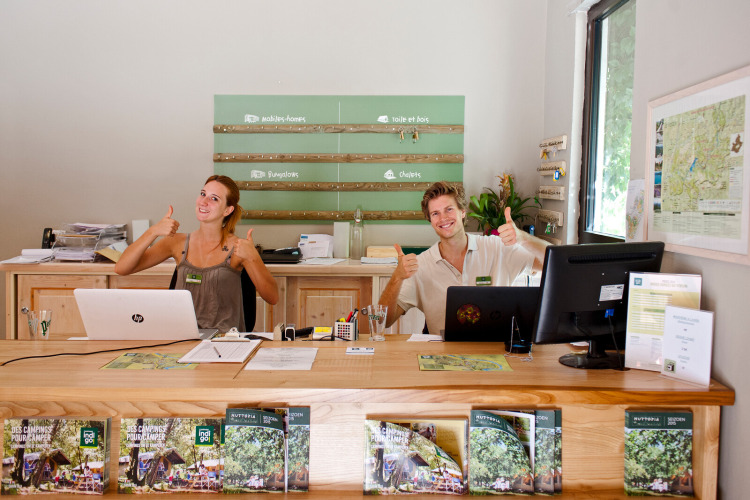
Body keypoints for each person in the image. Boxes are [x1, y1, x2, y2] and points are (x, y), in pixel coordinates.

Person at [379, 181, 548, 335]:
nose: (443, 218)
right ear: (430, 220)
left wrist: (523, 238)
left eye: (449, 209)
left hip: (494, 355)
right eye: (435, 213)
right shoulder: (421, 265)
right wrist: (397, 277)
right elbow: (383, 321)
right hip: (442, 358)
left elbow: (553, 264)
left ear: (462, 212)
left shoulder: (497, 248)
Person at [115, 175, 278, 332]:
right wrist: (152, 232)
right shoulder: (176, 243)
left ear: (228, 210)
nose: (204, 201)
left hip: (224, 342)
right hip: (182, 339)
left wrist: (253, 257)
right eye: (203, 194)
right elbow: (122, 268)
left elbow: (272, 297)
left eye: (214, 198)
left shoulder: (238, 248)